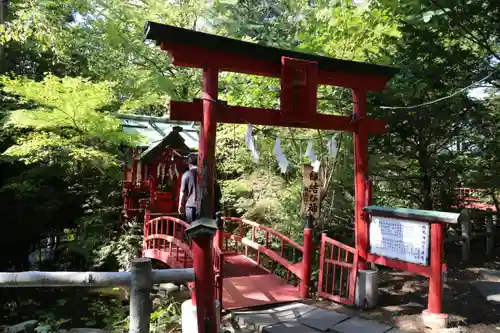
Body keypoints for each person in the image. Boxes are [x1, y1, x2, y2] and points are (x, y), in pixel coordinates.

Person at [178, 154, 199, 223]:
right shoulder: (205, 173)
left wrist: (180, 205)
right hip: (204, 206)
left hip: (191, 206)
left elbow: (183, 192)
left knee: (191, 228)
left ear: (189, 164)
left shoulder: (186, 174)